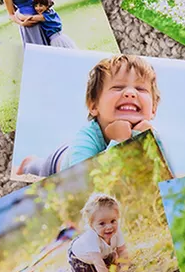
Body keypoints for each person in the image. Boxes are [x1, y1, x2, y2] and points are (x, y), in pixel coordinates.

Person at [16, 55, 161, 179]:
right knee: (34, 167)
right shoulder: (88, 136)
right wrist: (119, 141)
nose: (130, 93)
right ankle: (29, 162)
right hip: (57, 164)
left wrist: (140, 138)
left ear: (153, 109)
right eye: (118, 87)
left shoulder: (151, 134)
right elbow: (85, 180)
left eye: (140, 89)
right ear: (93, 106)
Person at [61, 193, 127, 272]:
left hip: (101, 253)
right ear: (92, 225)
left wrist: (124, 267)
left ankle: (107, 263)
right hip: (79, 256)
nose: (109, 227)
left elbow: (122, 250)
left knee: (113, 263)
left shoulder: (117, 232)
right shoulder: (91, 238)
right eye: (102, 224)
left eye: (113, 221)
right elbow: (97, 260)